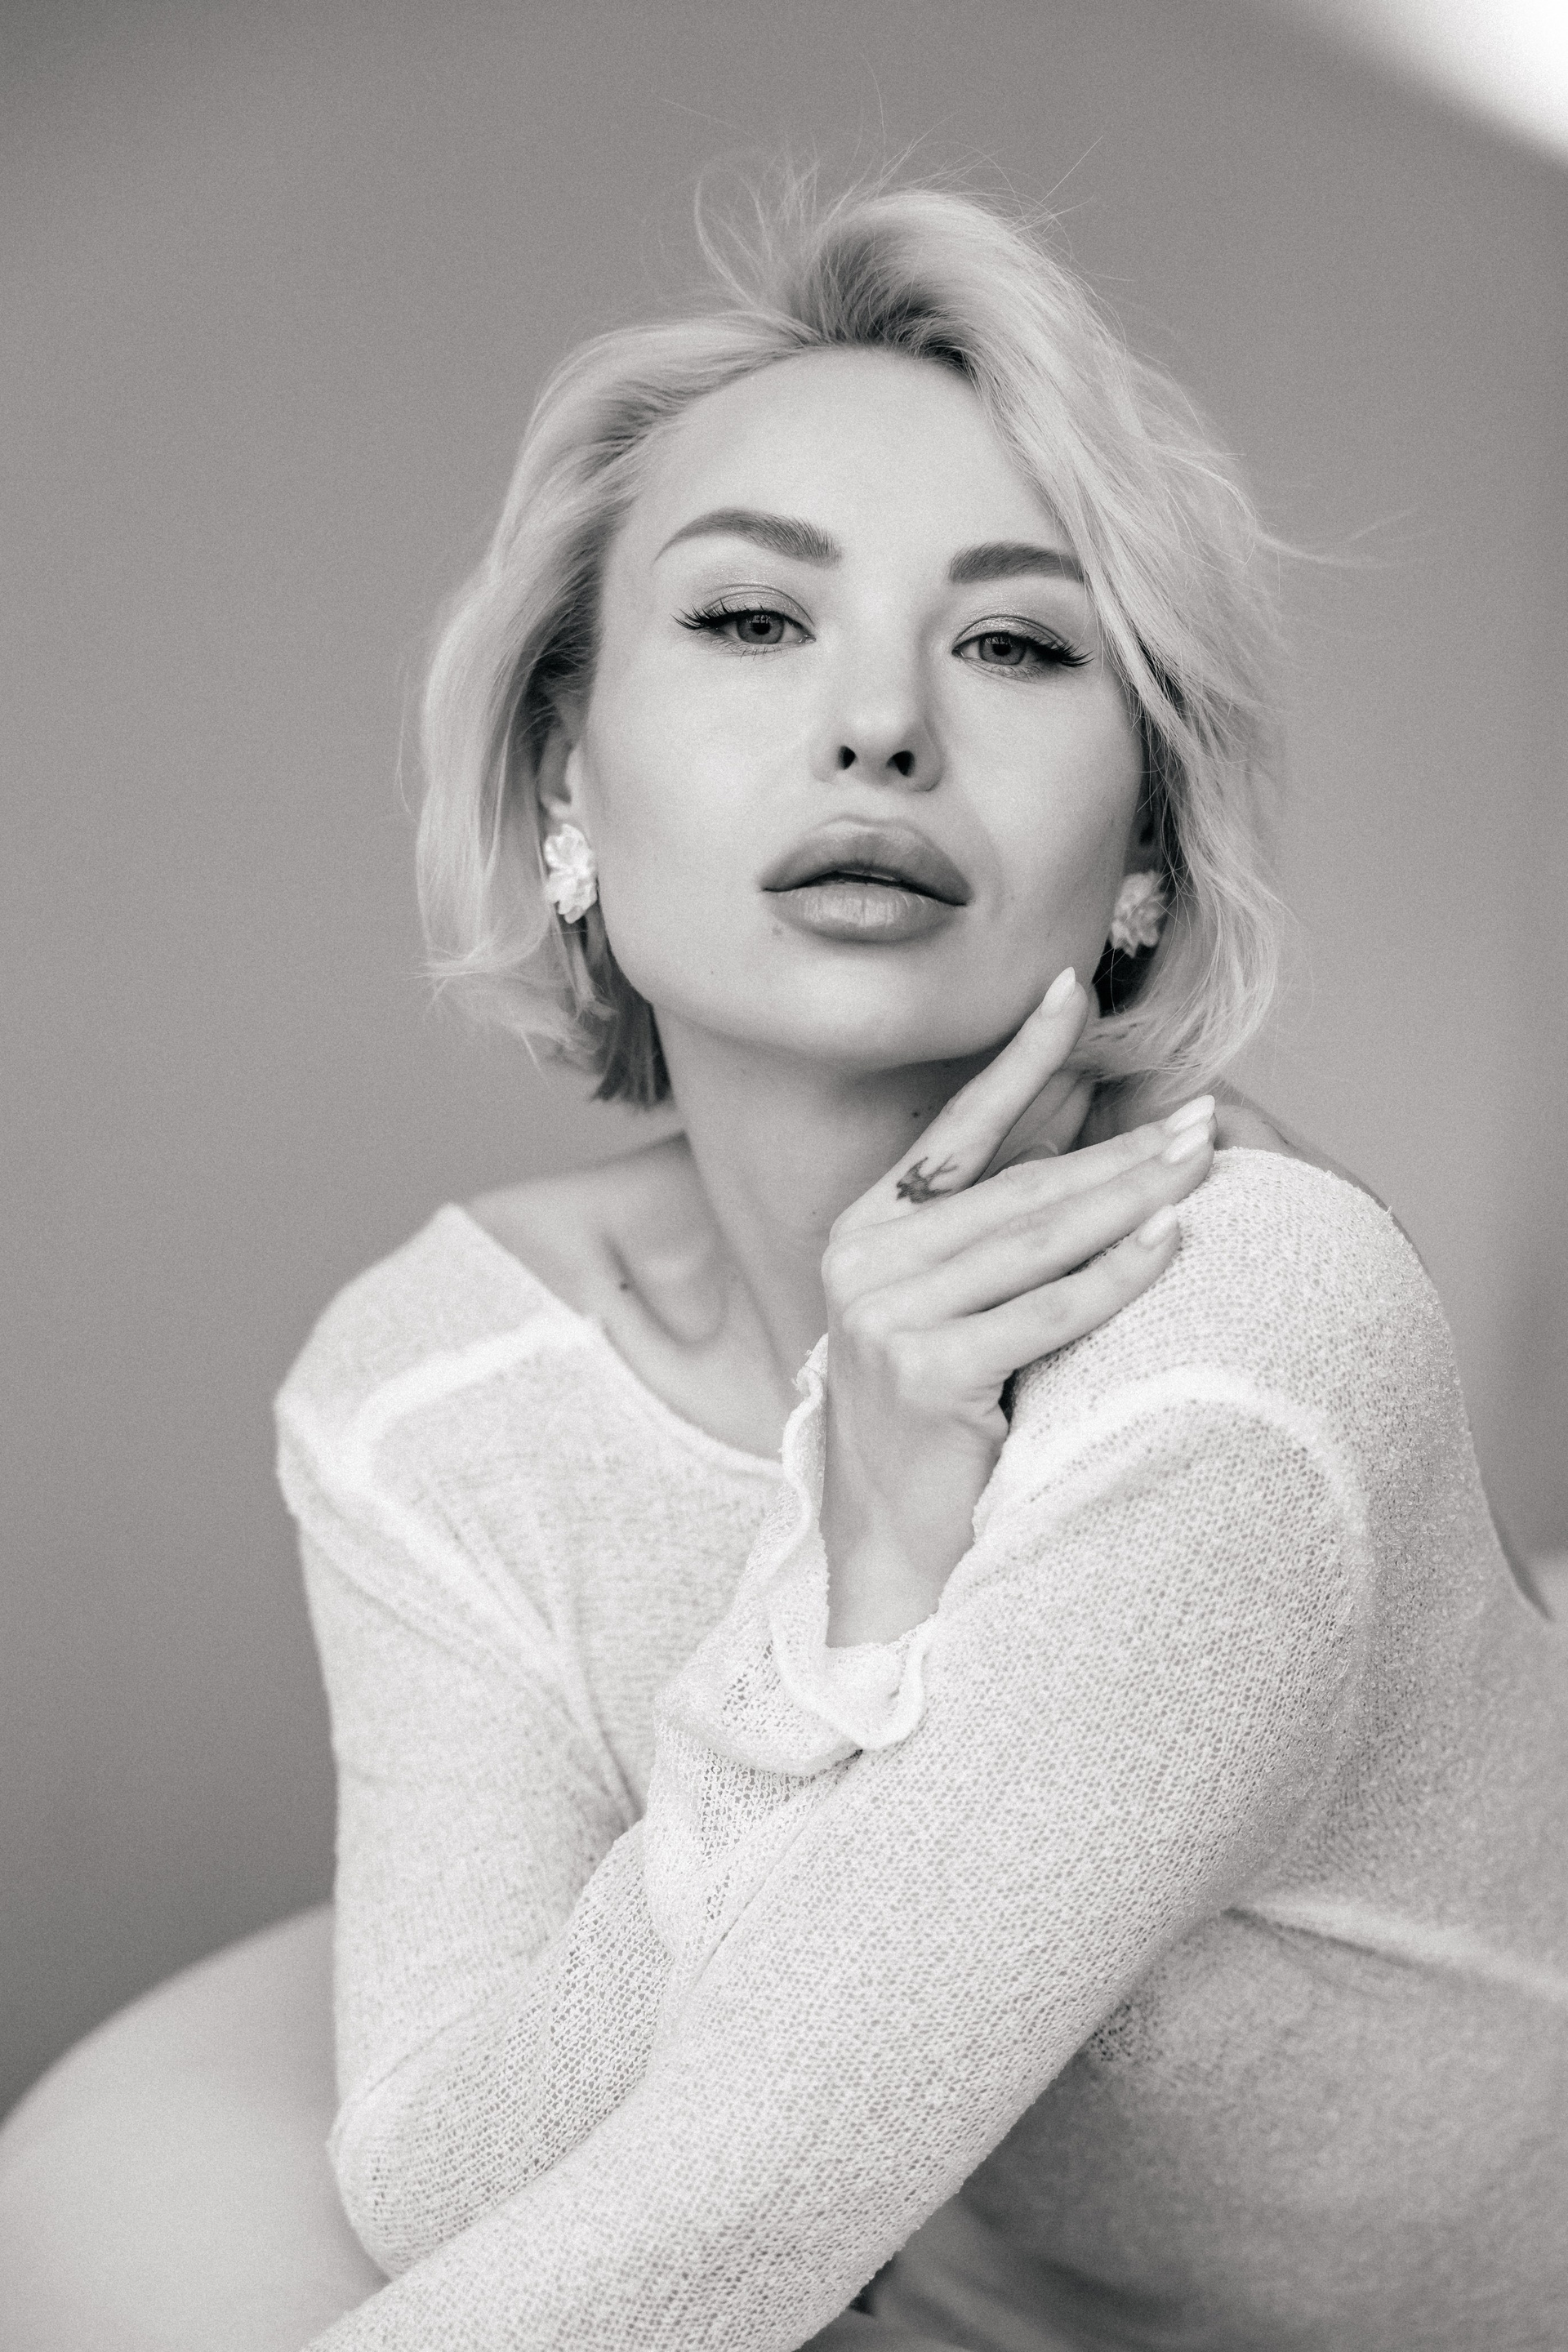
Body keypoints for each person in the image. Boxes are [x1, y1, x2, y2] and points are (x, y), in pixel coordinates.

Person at [273, 180, 1567, 2350]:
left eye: (1015, 645)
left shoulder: (1251, 1335)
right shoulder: (434, 1397)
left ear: (1145, 854)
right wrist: (847, 1597)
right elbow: (437, 2175)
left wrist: (820, 1636)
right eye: (752, 620)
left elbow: (719, 2222)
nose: (880, 725)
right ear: (563, 775)